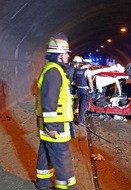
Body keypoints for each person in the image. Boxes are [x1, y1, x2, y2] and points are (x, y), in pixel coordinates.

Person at [35, 33, 76, 190]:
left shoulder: (51, 69)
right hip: (56, 125)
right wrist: (52, 126)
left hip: (49, 123)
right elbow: (49, 100)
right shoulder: (54, 72)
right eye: (66, 54)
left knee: (45, 153)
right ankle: (67, 187)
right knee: (61, 158)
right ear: (59, 56)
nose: (67, 57)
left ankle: (43, 183)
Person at [74, 58, 94, 126]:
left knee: (80, 105)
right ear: (88, 64)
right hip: (85, 91)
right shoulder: (87, 71)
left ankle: (80, 119)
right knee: (83, 106)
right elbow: (90, 81)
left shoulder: (78, 70)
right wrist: (91, 89)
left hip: (78, 90)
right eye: (90, 64)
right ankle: (80, 122)